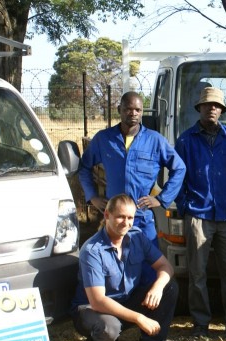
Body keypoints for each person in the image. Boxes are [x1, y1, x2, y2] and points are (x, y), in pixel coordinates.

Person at [71, 194, 179, 341]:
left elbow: (165, 266)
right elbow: (98, 301)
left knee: (169, 286)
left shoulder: (137, 237)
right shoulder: (92, 250)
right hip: (92, 310)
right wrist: (139, 318)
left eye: (130, 218)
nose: (126, 223)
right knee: (109, 327)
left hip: (124, 303)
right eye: (120, 217)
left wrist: (158, 287)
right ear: (107, 215)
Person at [175, 87, 226, 338]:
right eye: (207, 105)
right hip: (198, 214)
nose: (212, 109)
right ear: (199, 108)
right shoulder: (186, 140)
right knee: (197, 273)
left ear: (222, 110)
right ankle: (200, 322)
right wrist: (185, 206)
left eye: (216, 105)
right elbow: (177, 177)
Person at [79, 91, 186, 245]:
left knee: (149, 258)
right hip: (114, 218)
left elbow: (179, 168)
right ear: (119, 110)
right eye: (128, 109)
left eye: (138, 110)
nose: (133, 113)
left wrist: (161, 199)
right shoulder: (104, 139)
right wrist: (93, 197)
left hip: (142, 218)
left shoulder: (155, 140)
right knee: (112, 257)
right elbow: (84, 167)